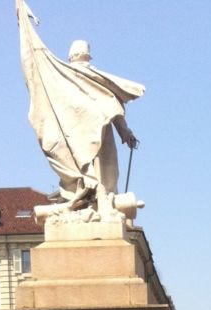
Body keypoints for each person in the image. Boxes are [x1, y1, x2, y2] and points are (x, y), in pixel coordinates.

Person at [16, 1, 143, 211]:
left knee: (86, 170)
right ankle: (100, 203)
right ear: (87, 54)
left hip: (77, 136)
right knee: (104, 175)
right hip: (98, 133)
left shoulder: (61, 78)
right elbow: (112, 105)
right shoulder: (94, 78)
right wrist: (125, 133)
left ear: (71, 56)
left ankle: (91, 201)